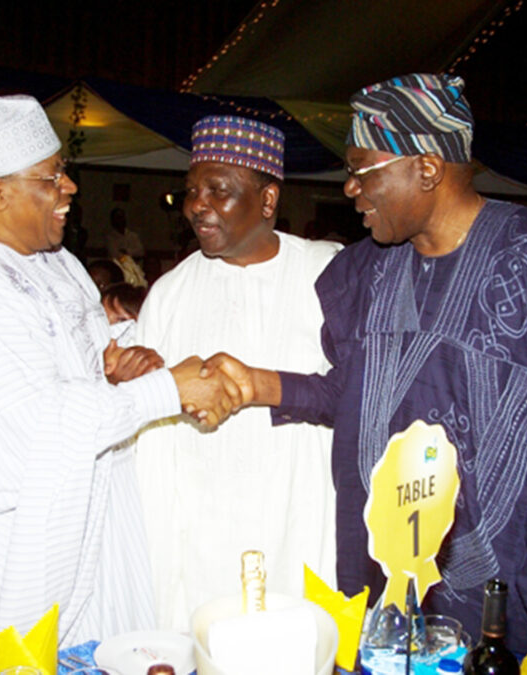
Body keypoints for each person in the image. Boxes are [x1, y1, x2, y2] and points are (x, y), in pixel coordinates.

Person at [204, 74, 527, 673]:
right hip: (386, 574)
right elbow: (353, 396)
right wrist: (257, 384)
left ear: (428, 169)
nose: (351, 188)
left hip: (502, 591)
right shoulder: (367, 272)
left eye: (365, 170)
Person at [0, 91, 240, 673]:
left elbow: (85, 359)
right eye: (52, 177)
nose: (70, 188)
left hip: (88, 522)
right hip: (16, 551)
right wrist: (167, 390)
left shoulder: (56, 261)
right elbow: (44, 424)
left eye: (64, 172)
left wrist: (122, 363)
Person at [135, 115, 341, 631]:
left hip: (302, 510)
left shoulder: (328, 272)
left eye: (218, 191)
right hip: (207, 527)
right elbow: (151, 428)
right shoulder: (170, 294)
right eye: (191, 191)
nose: (197, 205)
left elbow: (358, 392)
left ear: (268, 200)